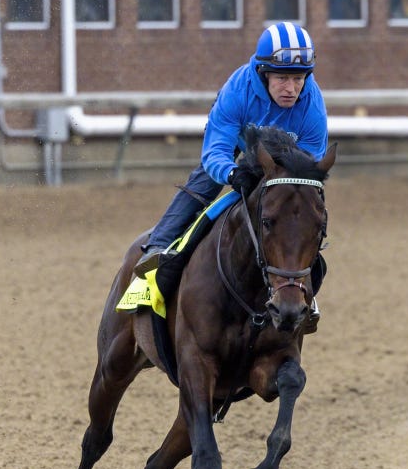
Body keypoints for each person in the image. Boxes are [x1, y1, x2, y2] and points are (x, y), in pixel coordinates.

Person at [133, 21, 329, 328]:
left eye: (298, 79)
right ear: (264, 74)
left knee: (302, 218)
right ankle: (157, 248)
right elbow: (214, 152)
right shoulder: (237, 91)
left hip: (284, 162)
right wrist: (233, 173)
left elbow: (309, 166)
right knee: (203, 186)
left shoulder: (312, 105)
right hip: (237, 151)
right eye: (282, 79)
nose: (291, 89)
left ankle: (307, 299)